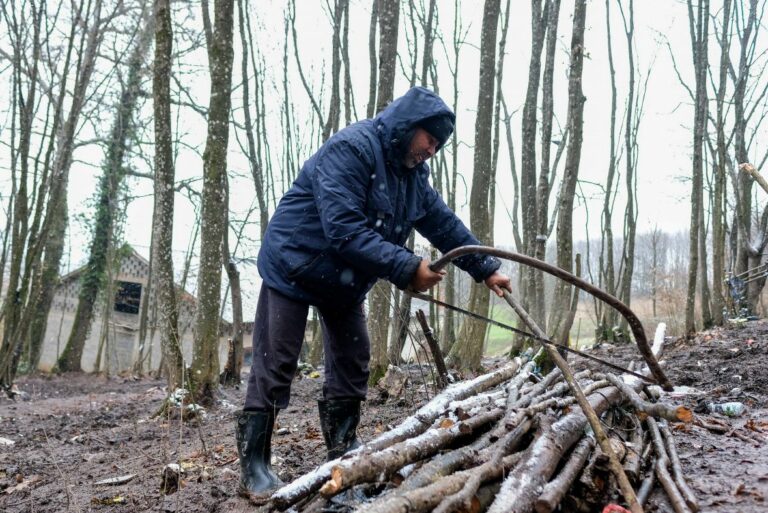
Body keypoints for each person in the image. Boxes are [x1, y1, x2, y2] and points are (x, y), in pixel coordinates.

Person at [236, 86, 512, 499]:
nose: (430, 152)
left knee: (353, 362)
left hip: (345, 278)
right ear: (408, 127)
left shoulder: (413, 176)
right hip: (295, 264)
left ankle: (343, 458)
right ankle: (254, 467)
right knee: (277, 362)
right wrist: (406, 267)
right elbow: (344, 230)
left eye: (437, 146)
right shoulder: (351, 150)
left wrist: (485, 268)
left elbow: (441, 223)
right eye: (429, 141)